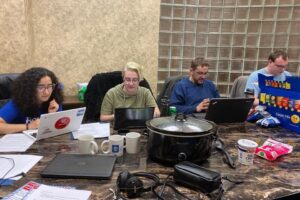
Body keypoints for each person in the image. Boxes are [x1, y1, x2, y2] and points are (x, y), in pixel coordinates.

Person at [0, 67, 63, 134]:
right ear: (29, 88)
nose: (47, 92)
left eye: (50, 86)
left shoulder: (54, 102)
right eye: (41, 87)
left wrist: (51, 115)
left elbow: (54, 130)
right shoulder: (17, 103)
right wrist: (29, 126)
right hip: (19, 141)